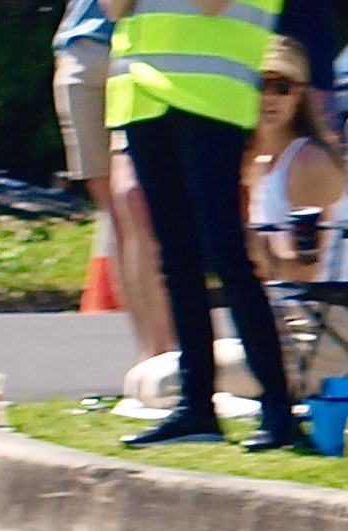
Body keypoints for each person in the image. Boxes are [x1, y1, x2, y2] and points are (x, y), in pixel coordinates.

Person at [104, 0, 297, 451]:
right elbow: (114, 9)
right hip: (142, 95)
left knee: (228, 257)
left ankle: (279, 411)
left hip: (210, 97)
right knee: (177, 261)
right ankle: (196, 408)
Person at [52, 0, 174, 363]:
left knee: (140, 207)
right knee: (118, 216)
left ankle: (174, 357)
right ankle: (152, 357)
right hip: (84, 50)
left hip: (150, 55)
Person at [247, 37, 348, 283]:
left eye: (281, 86)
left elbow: (304, 274)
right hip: (288, 311)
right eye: (259, 84)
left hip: (331, 313)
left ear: (299, 96)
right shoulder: (260, 164)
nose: (268, 97)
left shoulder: (308, 163)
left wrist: (246, 244)